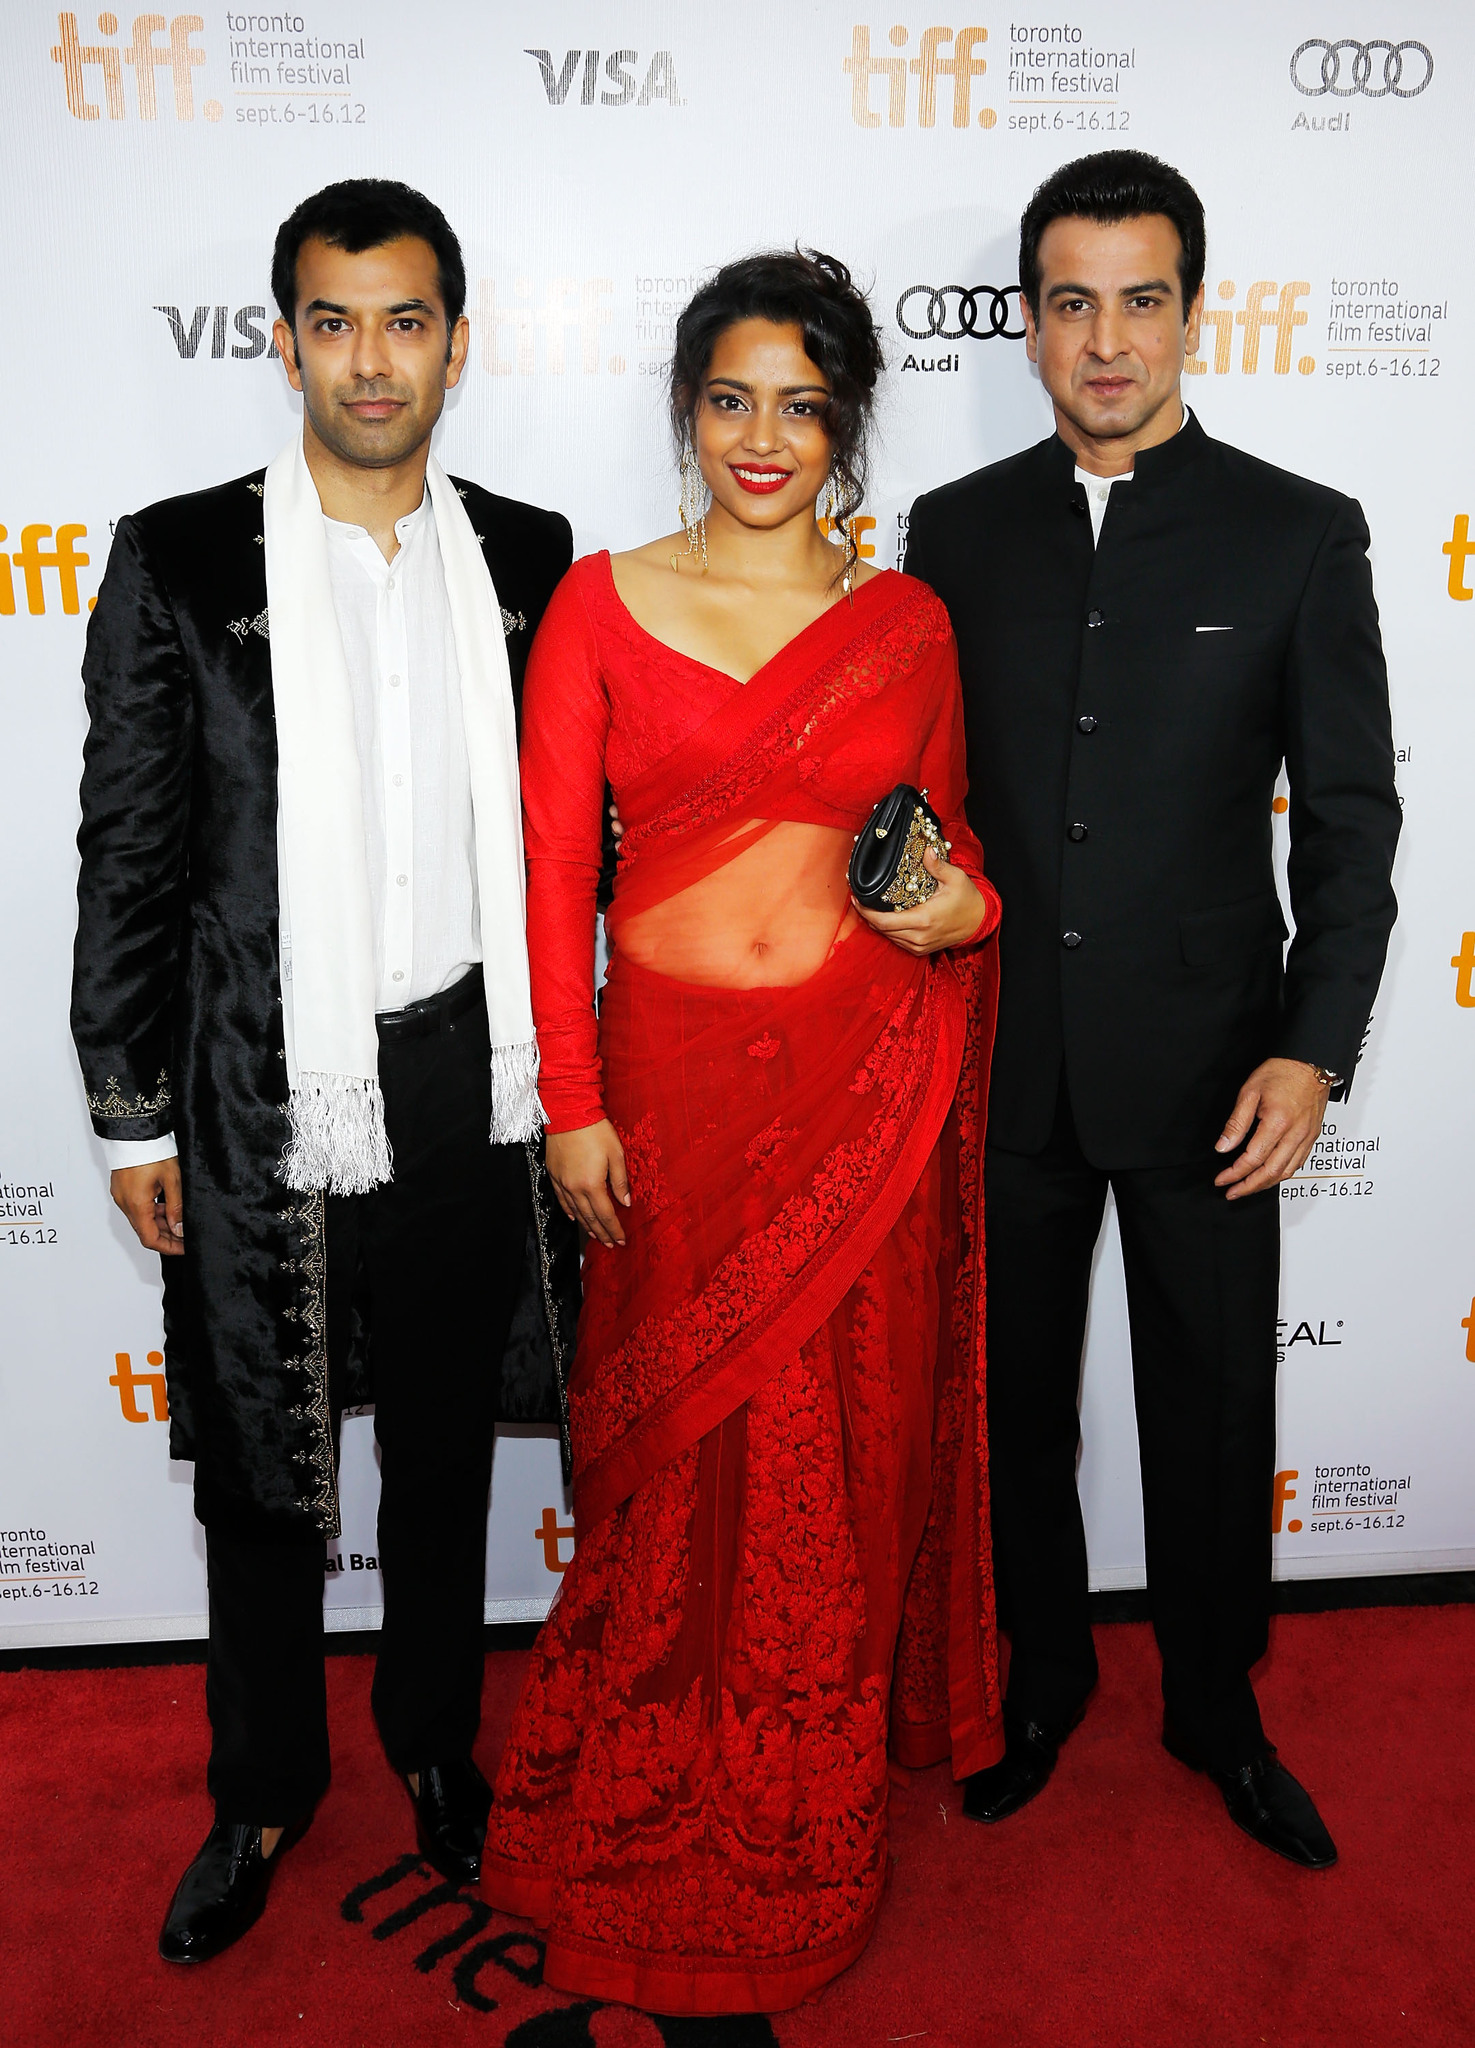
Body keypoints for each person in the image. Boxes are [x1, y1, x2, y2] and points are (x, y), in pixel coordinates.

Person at [481, 251, 1004, 2014]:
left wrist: (963, 911)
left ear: (845, 421)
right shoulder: (601, 604)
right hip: (678, 1108)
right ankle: (641, 1795)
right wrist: (572, 1103)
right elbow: (555, 884)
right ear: (685, 408)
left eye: (801, 404)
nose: (763, 439)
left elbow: (944, 855)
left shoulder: (906, 619)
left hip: (864, 1105)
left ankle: (796, 1813)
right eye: (730, 399)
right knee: (670, 1460)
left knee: (825, 1474)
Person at [71, 178, 578, 1963]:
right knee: (264, 1469)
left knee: (440, 1454)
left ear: (460, 338)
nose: (374, 360)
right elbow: (128, 855)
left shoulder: (532, 554)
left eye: (409, 320)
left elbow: (567, 836)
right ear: (280, 339)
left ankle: (437, 1750)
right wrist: (127, 1105)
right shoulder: (180, 557)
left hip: (465, 1074)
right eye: (336, 322)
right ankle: (262, 1788)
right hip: (249, 1083)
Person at [905, 151, 1400, 1868]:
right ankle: (1038, 1688)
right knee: (1013, 1409)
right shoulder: (953, 533)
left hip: (1215, 1072)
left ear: (1195, 308)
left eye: (1140, 298)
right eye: (1069, 301)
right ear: (1029, 321)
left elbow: (1352, 822)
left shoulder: (1297, 529)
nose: (1104, 339)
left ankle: (1217, 1706)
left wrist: (1314, 1045)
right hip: (1002, 1066)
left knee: (1209, 1413)